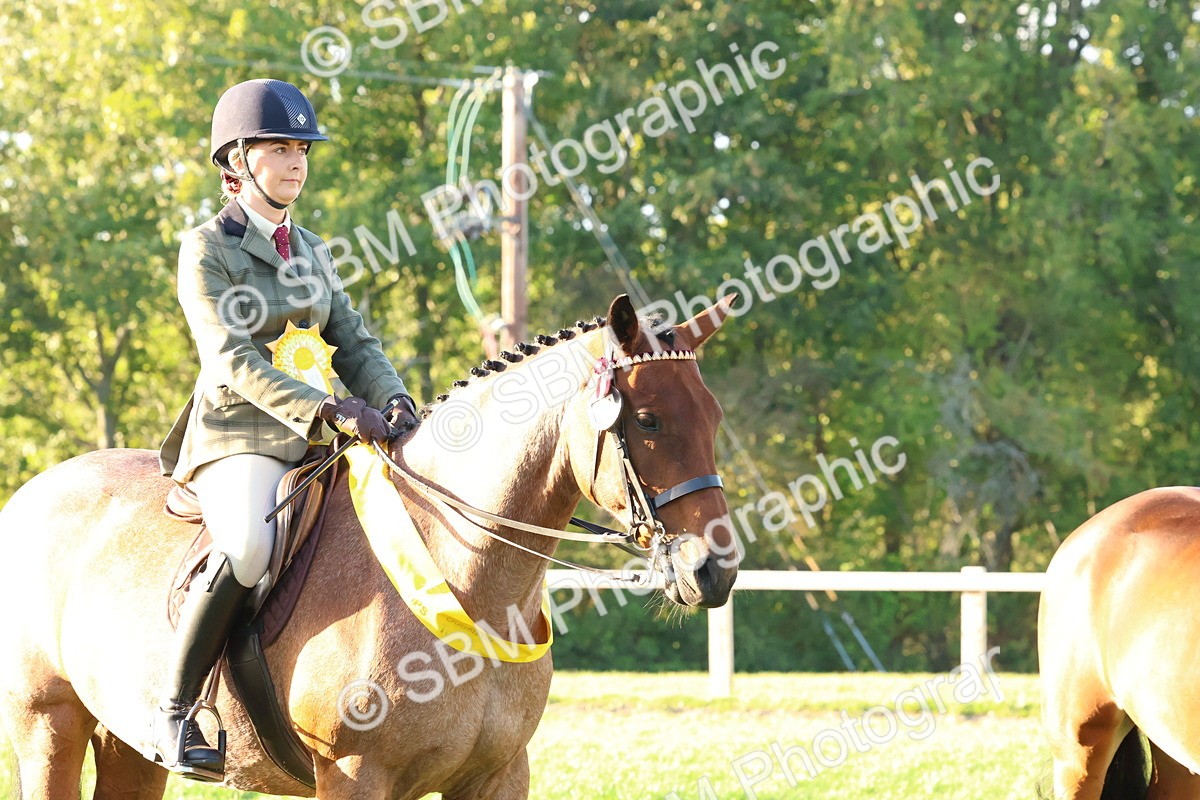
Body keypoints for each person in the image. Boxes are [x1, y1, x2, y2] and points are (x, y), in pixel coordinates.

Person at [154, 78, 418, 781]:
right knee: (246, 547)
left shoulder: (313, 250)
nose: (296, 160)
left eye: (302, 147)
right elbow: (231, 360)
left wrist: (393, 400)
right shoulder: (206, 249)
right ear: (237, 160)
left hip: (321, 437)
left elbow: (353, 340)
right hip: (239, 435)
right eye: (279, 146)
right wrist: (327, 409)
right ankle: (178, 710)